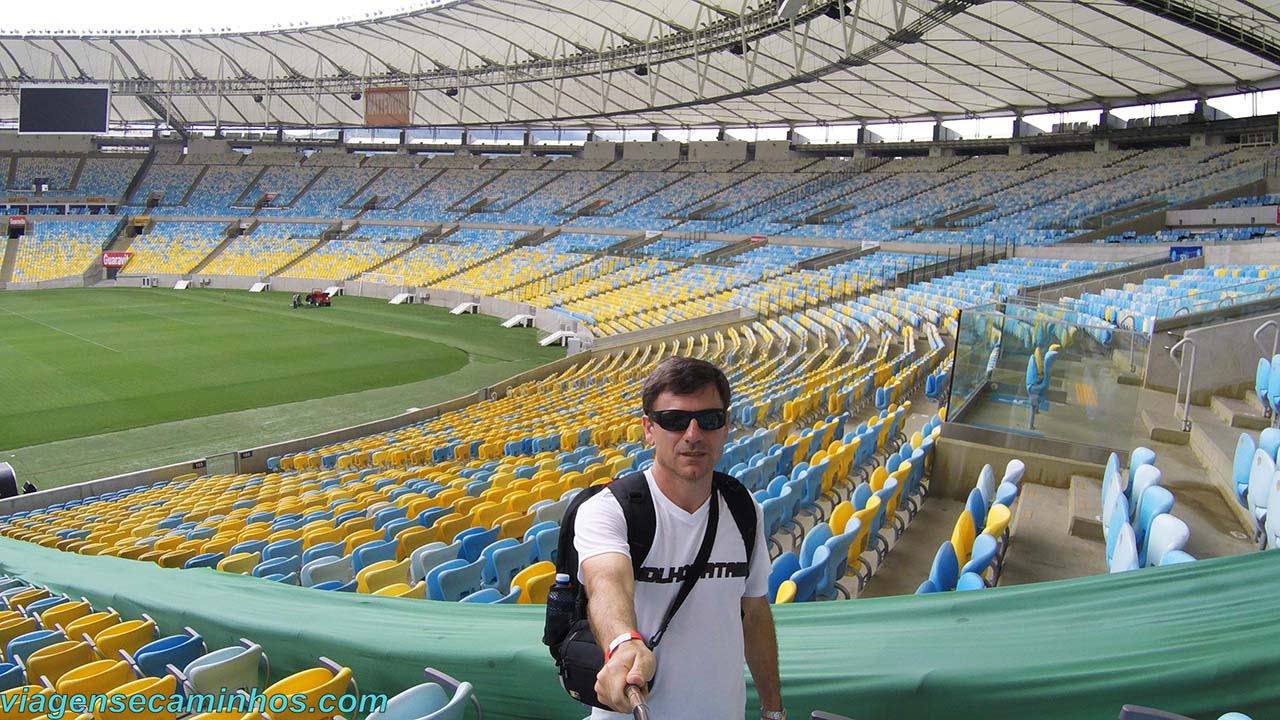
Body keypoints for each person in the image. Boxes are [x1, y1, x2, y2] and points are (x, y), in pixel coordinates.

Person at [573, 356, 785, 720]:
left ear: (726, 426)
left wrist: (773, 710)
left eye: (709, 420)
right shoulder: (608, 510)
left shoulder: (744, 507)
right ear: (649, 429)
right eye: (673, 421)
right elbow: (606, 583)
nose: (693, 434)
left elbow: (754, 614)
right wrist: (623, 642)